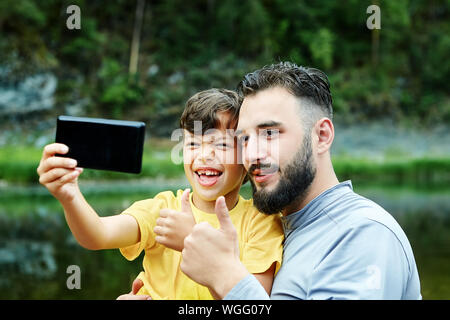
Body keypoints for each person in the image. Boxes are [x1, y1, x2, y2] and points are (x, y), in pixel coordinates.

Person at [179, 62, 422, 299]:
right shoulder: (269, 230)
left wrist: (224, 275)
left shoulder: (362, 232)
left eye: (270, 134)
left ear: (322, 136)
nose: (252, 153)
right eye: (244, 139)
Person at [37, 88, 283, 300]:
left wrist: (190, 240)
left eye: (221, 145)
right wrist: (69, 195)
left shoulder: (260, 222)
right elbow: (98, 235)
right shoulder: (163, 209)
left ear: (246, 156)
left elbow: (252, 304)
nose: (205, 155)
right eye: (193, 144)